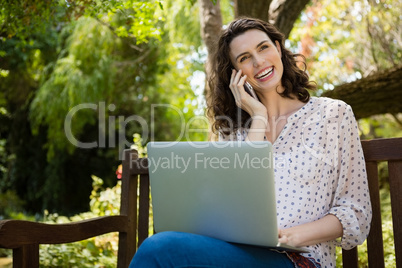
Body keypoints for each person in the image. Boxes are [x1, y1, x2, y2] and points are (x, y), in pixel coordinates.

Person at [130, 17, 372, 268]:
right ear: (236, 74)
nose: (258, 62)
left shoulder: (333, 115)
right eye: (244, 58)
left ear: (278, 48)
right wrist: (258, 117)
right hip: (234, 254)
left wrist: (291, 235)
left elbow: (356, 212)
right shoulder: (233, 133)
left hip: (299, 259)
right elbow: (225, 205)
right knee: (163, 247)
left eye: (263, 47)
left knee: (160, 249)